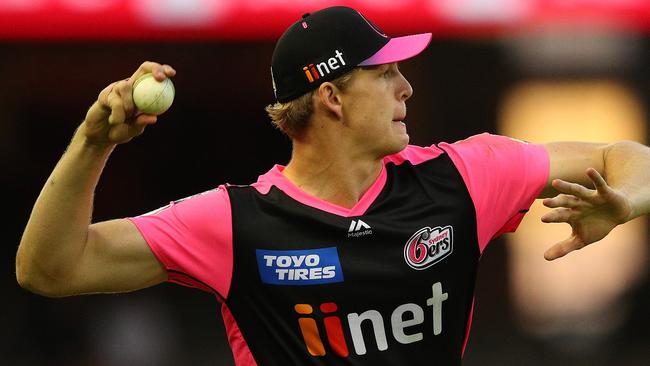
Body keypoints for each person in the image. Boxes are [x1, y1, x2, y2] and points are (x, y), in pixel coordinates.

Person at [15, 5, 650, 366]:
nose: (406, 87)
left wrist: (624, 204)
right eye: (386, 73)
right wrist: (92, 142)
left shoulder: (466, 176)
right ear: (332, 97)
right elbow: (49, 269)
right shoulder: (232, 224)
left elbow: (632, 156)